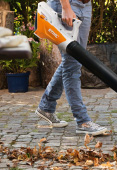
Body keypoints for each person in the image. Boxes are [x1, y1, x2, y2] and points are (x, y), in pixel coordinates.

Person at [35, 0, 107, 136]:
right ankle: (83, 121)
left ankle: (46, 107)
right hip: (67, 5)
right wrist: (66, 6)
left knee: (74, 61)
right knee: (72, 64)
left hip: (85, 5)